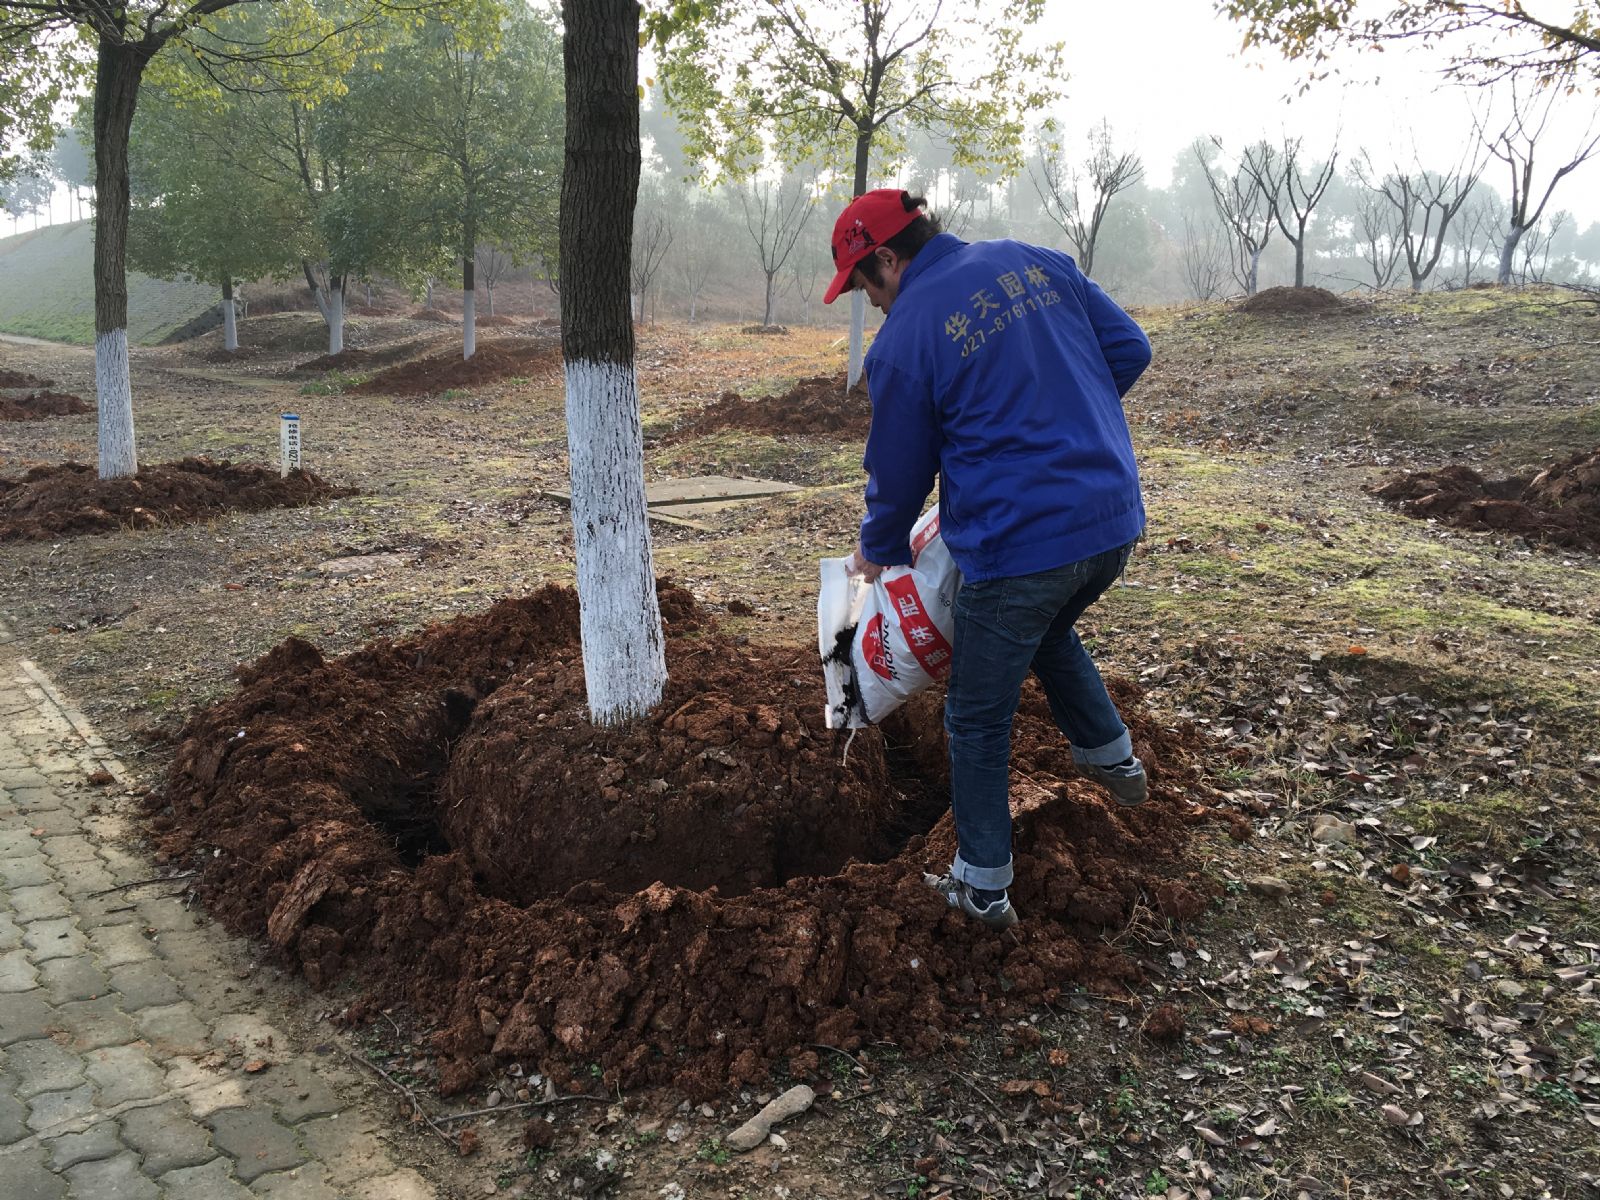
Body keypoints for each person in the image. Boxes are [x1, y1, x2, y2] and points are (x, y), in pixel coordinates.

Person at [826, 189, 1152, 932]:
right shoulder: (1033, 262)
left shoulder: (906, 338)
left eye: (861, 284)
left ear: (884, 257)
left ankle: (981, 889)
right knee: (1041, 629)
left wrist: (876, 553)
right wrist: (1065, 422)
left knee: (975, 716)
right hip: (1110, 523)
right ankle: (1112, 760)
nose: (866, 302)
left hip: (1022, 542)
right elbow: (1130, 350)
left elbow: (900, 471)